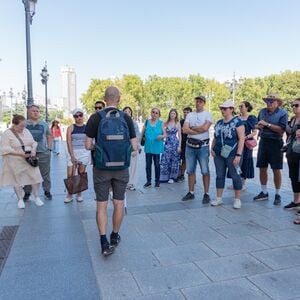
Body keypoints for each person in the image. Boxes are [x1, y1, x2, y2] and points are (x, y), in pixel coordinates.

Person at [85, 86, 137, 256]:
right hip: (121, 168)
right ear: (119, 99)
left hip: (101, 168)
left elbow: (87, 145)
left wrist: (98, 147)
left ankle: (103, 241)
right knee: (118, 202)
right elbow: (135, 147)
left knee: (101, 204)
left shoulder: (95, 117)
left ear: (104, 98)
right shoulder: (126, 118)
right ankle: (115, 235)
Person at [0, 114, 43, 208]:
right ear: (14, 124)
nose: (23, 128)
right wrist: (21, 154)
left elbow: (33, 142)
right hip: (14, 159)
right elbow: (5, 149)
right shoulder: (7, 133)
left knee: (36, 177)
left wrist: (34, 149)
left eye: (24, 126)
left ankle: (36, 196)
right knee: (16, 180)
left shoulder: (26, 131)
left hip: (29, 159)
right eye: (21, 126)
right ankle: (20, 199)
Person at [254, 94, 288, 205]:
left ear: (277, 102)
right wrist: (258, 126)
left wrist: (267, 124)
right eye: (268, 101)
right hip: (263, 141)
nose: (269, 103)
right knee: (262, 167)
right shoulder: (262, 111)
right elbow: (258, 125)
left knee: (276, 169)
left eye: (272, 101)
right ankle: (264, 192)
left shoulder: (283, 113)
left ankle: (277, 194)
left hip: (276, 142)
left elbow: (281, 130)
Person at [211, 100, 245, 209]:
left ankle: (237, 199)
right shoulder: (219, 122)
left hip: (232, 153)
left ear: (231, 109)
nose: (223, 111)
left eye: (225, 109)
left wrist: (238, 155)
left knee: (235, 176)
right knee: (219, 175)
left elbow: (241, 139)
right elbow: (215, 137)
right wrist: (212, 148)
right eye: (221, 108)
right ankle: (219, 198)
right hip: (219, 153)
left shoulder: (237, 122)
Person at [181, 96, 213, 204]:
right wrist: (197, 130)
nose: (198, 103)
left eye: (200, 102)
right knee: (190, 170)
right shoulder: (190, 115)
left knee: (205, 170)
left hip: (203, 146)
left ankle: (206, 193)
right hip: (190, 146)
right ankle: (191, 192)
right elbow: (184, 129)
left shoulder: (207, 114)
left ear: (204, 103)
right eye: (196, 102)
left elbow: (205, 128)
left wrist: (192, 128)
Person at [23, 105, 53, 201]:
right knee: (28, 173)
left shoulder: (44, 124)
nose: (36, 113)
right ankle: (27, 192)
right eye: (33, 111)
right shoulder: (24, 124)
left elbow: (49, 136)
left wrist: (49, 148)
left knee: (45, 173)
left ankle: (47, 191)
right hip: (28, 153)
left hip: (43, 152)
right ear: (28, 112)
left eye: (37, 111)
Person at [228, 101, 257, 191]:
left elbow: (255, 132)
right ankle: (235, 182)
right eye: (239, 106)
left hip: (246, 144)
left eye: (242, 106)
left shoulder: (251, 118)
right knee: (235, 161)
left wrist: (246, 137)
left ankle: (243, 183)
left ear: (247, 107)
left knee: (245, 162)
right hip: (236, 143)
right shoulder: (236, 118)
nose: (240, 107)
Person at [64, 108, 90, 203]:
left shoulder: (87, 127)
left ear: (83, 115)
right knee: (70, 174)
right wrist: (72, 156)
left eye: (80, 115)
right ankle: (70, 193)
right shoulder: (71, 127)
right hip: (73, 151)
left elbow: (90, 140)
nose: (79, 117)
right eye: (76, 116)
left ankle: (79, 193)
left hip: (84, 152)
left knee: (81, 172)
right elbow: (68, 142)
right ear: (74, 117)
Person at [283, 98, 300, 224]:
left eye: (296, 105)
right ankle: (296, 201)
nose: (294, 107)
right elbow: (288, 134)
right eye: (292, 105)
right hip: (291, 151)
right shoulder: (292, 119)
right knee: (293, 176)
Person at [140, 107, 166, 188]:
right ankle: (148, 181)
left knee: (157, 165)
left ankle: (157, 181)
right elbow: (142, 133)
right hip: (148, 147)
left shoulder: (161, 123)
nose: (154, 114)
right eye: (153, 112)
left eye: (156, 113)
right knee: (148, 165)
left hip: (157, 147)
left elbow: (165, 135)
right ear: (151, 113)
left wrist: (161, 136)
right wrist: (138, 144)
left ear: (159, 115)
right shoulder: (147, 122)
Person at [160, 109, 182, 183]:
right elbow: (163, 133)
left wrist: (179, 146)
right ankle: (164, 176)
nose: (172, 115)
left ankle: (172, 177)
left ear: (176, 115)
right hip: (167, 143)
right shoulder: (165, 123)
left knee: (174, 160)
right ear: (169, 114)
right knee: (165, 159)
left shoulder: (177, 123)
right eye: (171, 113)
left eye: (174, 114)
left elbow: (180, 135)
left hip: (175, 143)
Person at [123, 106, 141, 191]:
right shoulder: (120, 122)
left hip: (133, 147)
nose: (127, 112)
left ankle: (132, 183)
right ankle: (125, 183)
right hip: (123, 147)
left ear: (131, 113)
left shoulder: (134, 123)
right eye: (125, 111)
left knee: (133, 166)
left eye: (129, 111)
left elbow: (137, 135)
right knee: (125, 166)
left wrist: (135, 148)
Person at [178, 106, 192, 181]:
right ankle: (180, 174)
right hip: (182, 142)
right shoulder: (181, 121)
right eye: (185, 112)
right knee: (180, 159)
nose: (186, 114)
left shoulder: (192, 121)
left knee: (187, 160)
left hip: (190, 143)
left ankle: (187, 175)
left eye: (187, 112)